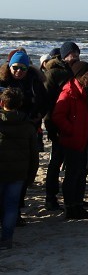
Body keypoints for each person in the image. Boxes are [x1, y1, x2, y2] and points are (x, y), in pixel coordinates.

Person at [0, 50, 49, 223]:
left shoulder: (34, 82)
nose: (18, 71)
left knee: (22, 171)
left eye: (23, 68)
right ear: (9, 66)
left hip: (27, 129)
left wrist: (38, 116)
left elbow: (45, 102)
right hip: (5, 129)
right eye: (15, 67)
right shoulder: (3, 81)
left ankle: (16, 211)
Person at [52, 61, 88, 219]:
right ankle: (70, 207)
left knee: (81, 174)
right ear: (80, 75)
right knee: (72, 175)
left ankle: (78, 205)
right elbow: (58, 116)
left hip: (87, 139)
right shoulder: (69, 92)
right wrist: (72, 130)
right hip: (73, 141)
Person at [42, 41, 80, 210]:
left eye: (77, 53)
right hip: (58, 125)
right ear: (64, 56)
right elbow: (47, 103)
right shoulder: (53, 73)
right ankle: (50, 197)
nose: (76, 56)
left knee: (74, 163)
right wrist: (51, 127)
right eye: (72, 53)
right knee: (56, 162)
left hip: (75, 124)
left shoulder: (77, 70)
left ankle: (72, 197)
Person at [0, 87, 39, 248]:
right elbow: (34, 154)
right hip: (18, 172)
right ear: (20, 104)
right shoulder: (27, 125)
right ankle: (6, 239)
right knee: (11, 206)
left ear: (2, 103)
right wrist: (31, 176)